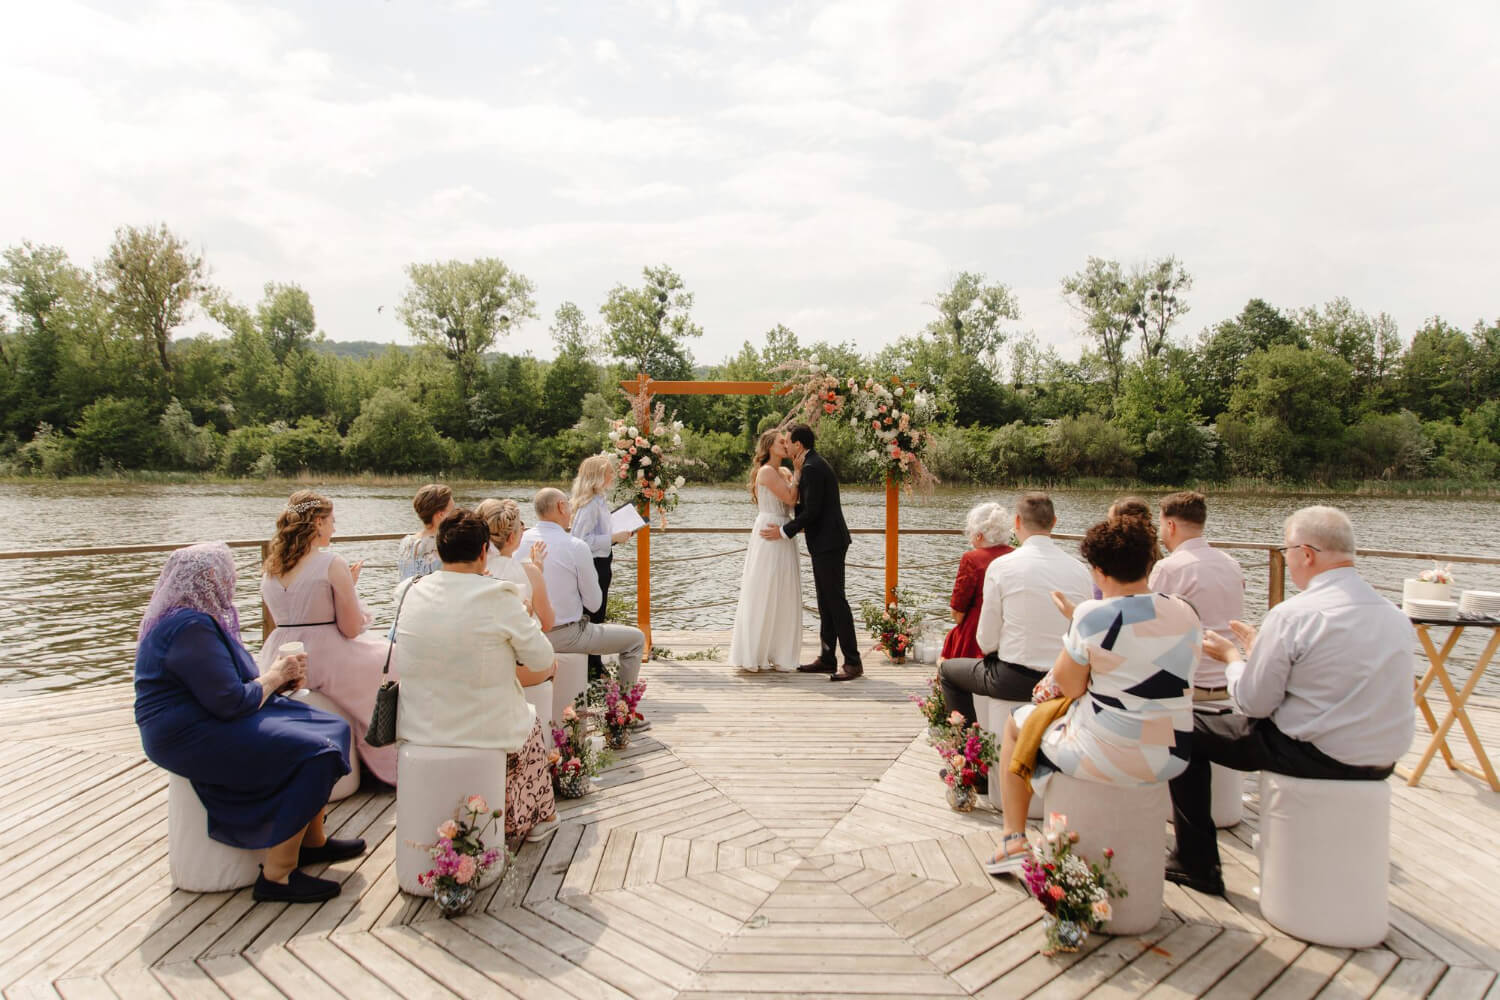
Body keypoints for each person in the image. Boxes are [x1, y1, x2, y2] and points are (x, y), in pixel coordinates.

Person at [1166, 506, 1416, 896]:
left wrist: (1234, 659)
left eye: (1286, 552)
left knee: (1181, 729)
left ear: (1307, 554)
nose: (1286, 560)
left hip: (1315, 752)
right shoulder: (1394, 615)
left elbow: (1253, 703)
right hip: (1382, 759)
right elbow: (1331, 677)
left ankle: (1197, 863)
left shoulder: (1295, 615)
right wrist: (1257, 650)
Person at [135, 543, 364, 904]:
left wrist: (280, 681)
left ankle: (312, 840)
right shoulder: (189, 627)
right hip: (189, 732)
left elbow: (232, 686)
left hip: (210, 714)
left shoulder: (199, 618)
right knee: (315, 752)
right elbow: (230, 702)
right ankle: (279, 874)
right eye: (228, 572)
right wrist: (274, 677)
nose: (234, 579)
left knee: (333, 726)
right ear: (211, 577)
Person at [988, 516, 1201, 874]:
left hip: (1108, 753)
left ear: (1098, 571)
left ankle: (1013, 837)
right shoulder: (1185, 611)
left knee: (1016, 723)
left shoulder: (1092, 615)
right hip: (1172, 754)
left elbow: (1070, 686)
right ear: (1150, 561)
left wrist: (1076, 623)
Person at [394, 510, 561, 847]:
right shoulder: (499, 595)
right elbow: (542, 658)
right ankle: (540, 816)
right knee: (528, 724)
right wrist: (524, 615)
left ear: (440, 550)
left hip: (418, 723)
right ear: (484, 551)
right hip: (484, 727)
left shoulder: (407, 591)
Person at [260, 491, 396, 785]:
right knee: (393, 657)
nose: (335, 528)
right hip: (322, 655)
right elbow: (350, 629)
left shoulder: (272, 567)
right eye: (332, 521)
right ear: (318, 522)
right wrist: (351, 588)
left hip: (279, 652)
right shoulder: (331, 563)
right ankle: (386, 758)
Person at [938, 493, 1092, 725]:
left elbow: (986, 641)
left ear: (1017, 522)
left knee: (948, 672)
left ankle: (965, 749)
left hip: (1013, 678)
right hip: (1064, 679)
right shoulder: (1080, 570)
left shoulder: (1002, 567)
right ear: (1054, 521)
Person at [521, 488, 649, 726]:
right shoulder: (575, 546)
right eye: (569, 505)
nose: (572, 510)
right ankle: (623, 715)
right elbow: (594, 603)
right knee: (635, 640)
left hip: (526, 633)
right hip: (565, 634)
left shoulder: (519, 540)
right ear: (560, 507)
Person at [759, 424, 862, 681]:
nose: (787, 446)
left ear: (799, 445)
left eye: (789, 442)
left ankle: (853, 662)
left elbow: (811, 511)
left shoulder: (813, 468)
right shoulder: (809, 465)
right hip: (823, 542)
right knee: (826, 602)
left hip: (830, 542)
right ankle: (827, 658)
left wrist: (784, 531)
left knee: (836, 602)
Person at [1149, 491, 1245, 701]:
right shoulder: (1232, 564)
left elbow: (1146, 626)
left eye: (1161, 525)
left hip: (1188, 687)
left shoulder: (1168, 568)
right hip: (1229, 682)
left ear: (1171, 526)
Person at [728, 429, 802, 672]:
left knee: (783, 590)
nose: (786, 444)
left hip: (784, 531)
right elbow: (792, 499)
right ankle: (754, 653)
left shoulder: (783, 471)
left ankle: (779, 653)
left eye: (787, 441)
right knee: (764, 589)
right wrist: (800, 470)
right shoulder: (767, 471)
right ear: (770, 446)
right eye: (782, 442)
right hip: (770, 530)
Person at [569, 455, 635, 680]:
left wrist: (617, 535)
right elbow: (580, 540)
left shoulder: (598, 500)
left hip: (603, 560)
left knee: (600, 611)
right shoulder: (588, 506)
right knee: (593, 612)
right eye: (609, 472)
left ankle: (594, 664)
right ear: (598, 476)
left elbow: (598, 534)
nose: (613, 476)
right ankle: (591, 667)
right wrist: (613, 536)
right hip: (594, 564)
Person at [939, 502, 1014, 662]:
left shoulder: (972, 559)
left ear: (979, 535)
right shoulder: (1016, 555)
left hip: (978, 635)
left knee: (952, 640)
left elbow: (958, 613)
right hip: (1009, 631)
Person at [477, 497, 554, 631]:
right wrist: (537, 572)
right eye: (521, 527)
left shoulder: (469, 566)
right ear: (511, 537)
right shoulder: (530, 572)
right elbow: (547, 623)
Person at [396, 484, 455, 581]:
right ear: (441, 514)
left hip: (407, 594)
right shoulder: (446, 544)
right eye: (452, 510)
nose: (456, 514)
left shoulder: (406, 542)